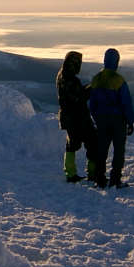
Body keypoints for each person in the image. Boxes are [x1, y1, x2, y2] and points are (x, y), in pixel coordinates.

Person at [88, 48, 134, 188]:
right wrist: (130, 121)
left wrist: (96, 118)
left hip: (101, 120)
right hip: (117, 120)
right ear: (116, 62)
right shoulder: (119, 80)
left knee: (101, 149)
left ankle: (99, 178)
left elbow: (92, 104)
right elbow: (126, 103)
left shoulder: (96, 79)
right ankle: (115, 179)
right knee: (118, 150)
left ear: (104, 60)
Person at [56, 51, 97, 182]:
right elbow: (79, 97)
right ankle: (93, 173)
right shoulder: (71, 79)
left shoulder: (62, 75)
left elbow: (76, 94)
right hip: (78, 117)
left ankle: (70, 173)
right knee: (92, 142)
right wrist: (92, 88)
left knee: (72, 144)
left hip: (68, 117)